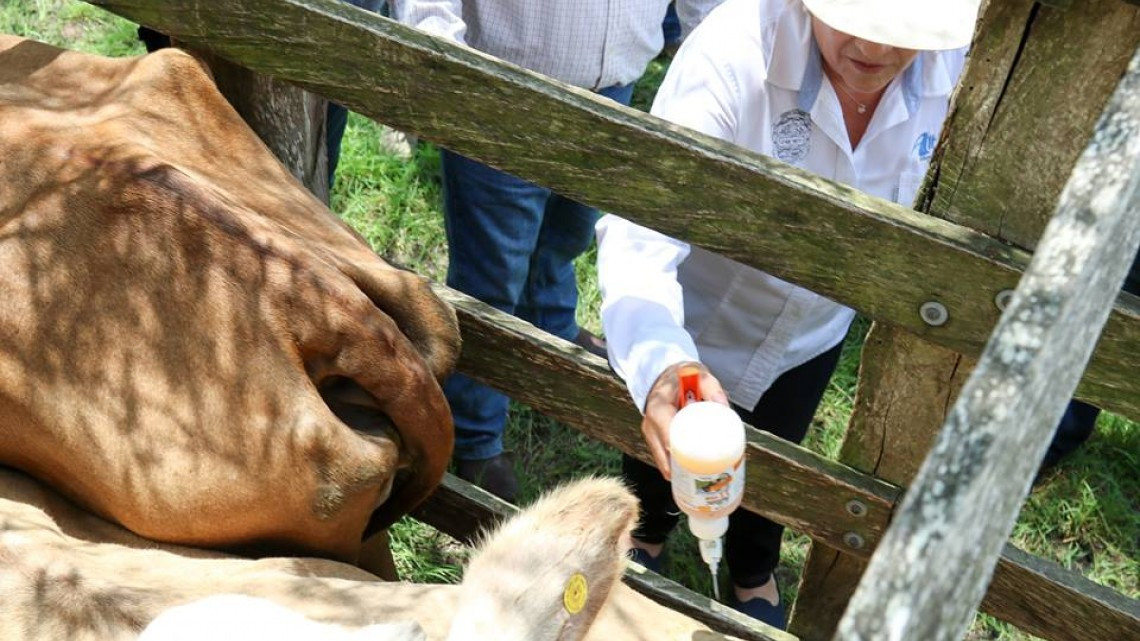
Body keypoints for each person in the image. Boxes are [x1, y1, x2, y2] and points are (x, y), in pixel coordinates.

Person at [596, 0, 981, 628]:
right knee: (666, 448)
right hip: (703, 315)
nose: (874, 47)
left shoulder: (963, 71)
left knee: (780, 443)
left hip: (814, 329)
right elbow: (640, 231)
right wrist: (664, 364)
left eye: (902, 30)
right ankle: (647, 535)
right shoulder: (733, 51)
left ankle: (753, 565)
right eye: (853, 17)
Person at [390, 0, 725, 502]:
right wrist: (443, 55)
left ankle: (551, 326)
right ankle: (477, 434)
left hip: (612, 91)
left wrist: (716, 50)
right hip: (503, 88)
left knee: (566, 235)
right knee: (492, 275)